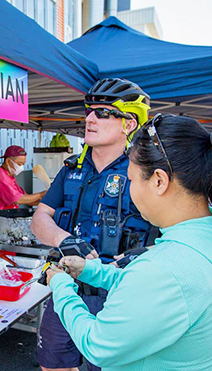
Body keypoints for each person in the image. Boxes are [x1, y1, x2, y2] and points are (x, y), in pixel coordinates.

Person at [47, 113, 212, 370]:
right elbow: (147, 292)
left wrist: (61, 285)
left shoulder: (165, 268)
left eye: (132, 180)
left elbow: (98, 345)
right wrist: (90, 270)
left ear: (159, 181)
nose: (130, 189)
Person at [30, 78, 155, 371]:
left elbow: (172, 233)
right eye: (88, 110)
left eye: (102, 112)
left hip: (119, 297)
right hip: (66, 290)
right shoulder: (72, 169)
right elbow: (39, 219)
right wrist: (65, 240)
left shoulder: (146, 173)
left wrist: (143, 255)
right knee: (54, 366)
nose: (89, 118)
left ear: (128, 123)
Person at [0, 145, 46, 224]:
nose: (22, 167)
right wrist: (41, 194)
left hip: (6, 221)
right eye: (19, 164)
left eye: (23, 164)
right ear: (8, 161)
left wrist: (48, 201)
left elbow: (27, 200)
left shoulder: (10, 177)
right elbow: (18, 200)